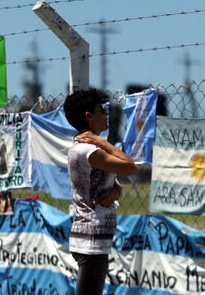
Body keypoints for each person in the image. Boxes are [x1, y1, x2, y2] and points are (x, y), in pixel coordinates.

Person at [63, 89, 137, 295]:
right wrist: (102, 141)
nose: (106, 114)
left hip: (94, 237)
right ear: (89, 116)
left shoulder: (86, 149)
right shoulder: (89, 150)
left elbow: (104, 183)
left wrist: (116, 192)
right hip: (91, 239)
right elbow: (130, 167)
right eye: (101, 110)